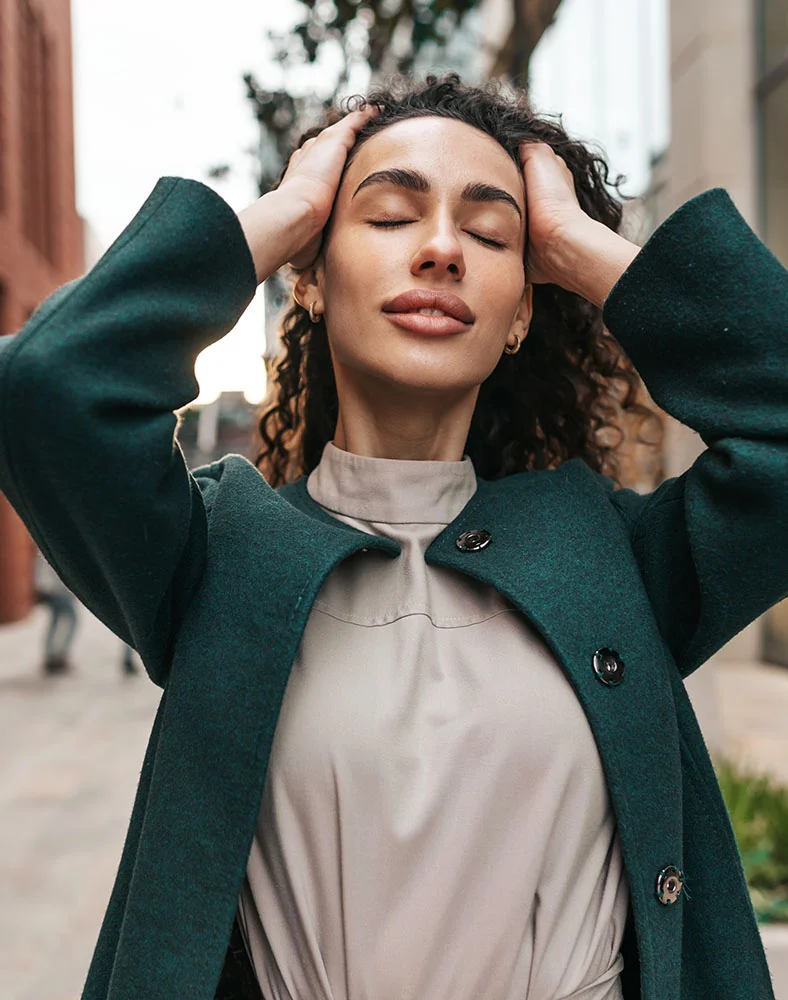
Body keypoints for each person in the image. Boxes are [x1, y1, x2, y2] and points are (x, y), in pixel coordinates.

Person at [0, 73, 784, 1000]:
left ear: (524, 308)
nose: (444, 249)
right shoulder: (214, 555)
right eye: (388, 217)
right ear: (316, 277)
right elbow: (49, 386)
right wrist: (288, 209)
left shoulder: (613, 558)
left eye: (493, 234)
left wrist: (579, 244)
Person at [34, 547, 78, 675]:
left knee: (56, 621)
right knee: (72, 620)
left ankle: (51, 656)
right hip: (57, 591)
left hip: (52, 590)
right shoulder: (52, 549)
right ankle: (59, 655)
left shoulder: (45, 548)